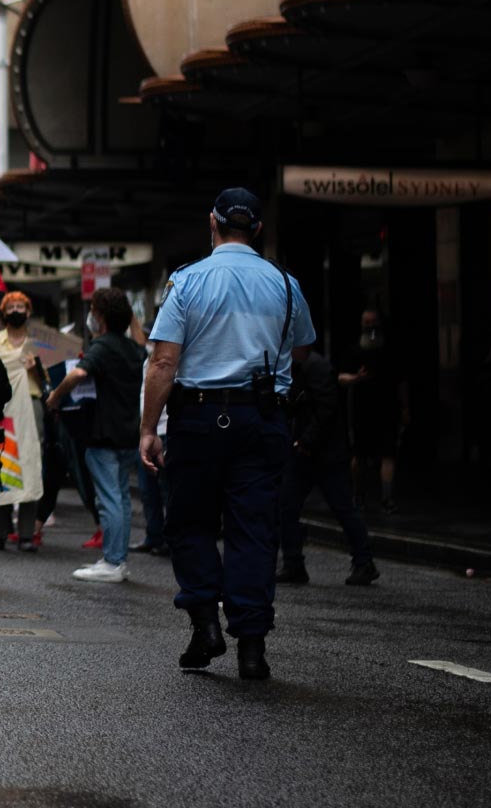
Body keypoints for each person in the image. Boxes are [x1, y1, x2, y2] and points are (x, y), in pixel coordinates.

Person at [142, 188, 315, 681]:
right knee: (254, 531)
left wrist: (149, 428)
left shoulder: (188, 282)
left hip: (197, 419)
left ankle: (205, 624)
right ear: (257, 230)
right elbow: (301, 350)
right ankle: (252, 647)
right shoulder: (285, 284)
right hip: (263, 419)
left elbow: (164, 361)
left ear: (212, 223)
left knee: (189, 523)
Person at [50, 288, 145, 583]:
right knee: (122, 500)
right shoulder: (134, 348)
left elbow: (78, 374)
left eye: (93, 309)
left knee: (109, 499)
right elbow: (141, 340)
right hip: (129, 431)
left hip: (104, 433)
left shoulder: (102, 347)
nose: (90, 315)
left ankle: (113, 561)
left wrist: (55, 396)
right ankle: (118, 559)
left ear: (100, 315)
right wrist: (130, 317)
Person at [277, 348, 379, 586]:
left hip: (324, 454)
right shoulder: (300, 367)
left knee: (342, 507)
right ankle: (293, 563)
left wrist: (305, 441)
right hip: (305, 452)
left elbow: (326, 410)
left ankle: (364, 562)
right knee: (286, 505)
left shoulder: (316, 367)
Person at [0, 291, 46, 552]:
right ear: (4, 312)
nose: (17, 310)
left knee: (30, 462)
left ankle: (26, 534)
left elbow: (48, 381)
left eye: (21, 306)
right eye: (12, 307)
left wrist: (35, 368)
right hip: (2, 406)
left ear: (28, 311)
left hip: (30, 404)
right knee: (0, 463)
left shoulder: (39, 342)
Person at [343, 308, 407, 512]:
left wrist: (405, 407)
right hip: (362, 409)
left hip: (387, 408)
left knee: (388, 454)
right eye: (366, 322)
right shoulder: (354, 350)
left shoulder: (390, 349)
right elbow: (340, 377)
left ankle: (387, 498)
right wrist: (357, 378)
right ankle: (357, 494)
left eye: (373, 322)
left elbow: (401, 381)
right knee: (359, 455)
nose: (370, 326)